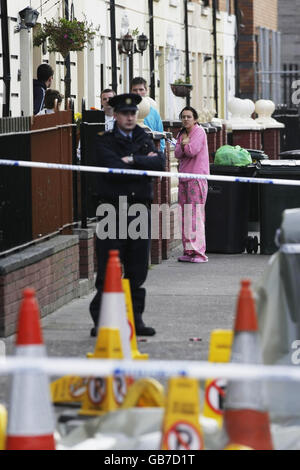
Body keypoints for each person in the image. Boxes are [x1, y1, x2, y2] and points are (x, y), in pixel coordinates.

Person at [89, 93, 166, 337]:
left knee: (137, 266)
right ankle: (101, 319)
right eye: (125, 113)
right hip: (112, 208)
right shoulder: (104, 140)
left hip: (139, 209)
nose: (130, 117)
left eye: (133, 113)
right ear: (116, 115)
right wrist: (141, 165)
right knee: (109, 266)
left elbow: (159, 164)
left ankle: (135, 319)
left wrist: (132, 159)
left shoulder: (144, 138)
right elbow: (113, 171)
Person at [174, 106, 210, 263]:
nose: (185, 119)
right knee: (186, 215)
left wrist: (183, 146)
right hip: (183, 178)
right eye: (183, 117)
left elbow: (191, 151)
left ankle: (199, 253)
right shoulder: (181, 134)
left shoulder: (199, 132)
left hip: (196, 177)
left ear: (195, 119)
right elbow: (176, 153)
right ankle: (188, 251)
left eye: (189, 117)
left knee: (196, 215)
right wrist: (183, 145)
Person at [131, 77, 165, 152]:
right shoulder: (126, 111)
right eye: (135, 90)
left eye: (141, 89)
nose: (138, 93)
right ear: (131, 91)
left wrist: (160, 153)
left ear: (146, 91)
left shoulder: (153, 112)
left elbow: (160, 133)